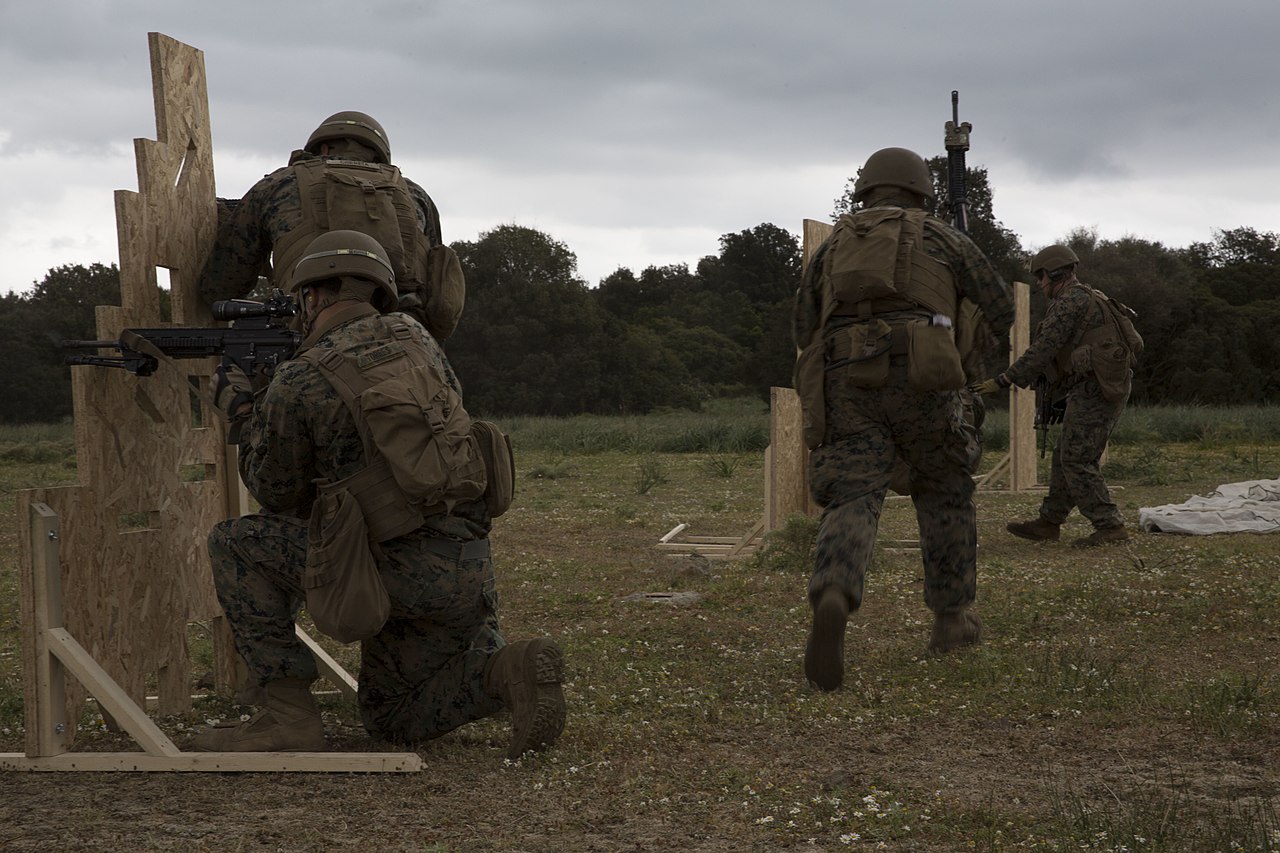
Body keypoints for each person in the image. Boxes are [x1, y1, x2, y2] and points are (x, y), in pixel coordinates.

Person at [192, 230, 565, 758]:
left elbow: (274, 490)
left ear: (312, 296)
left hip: (386, 571)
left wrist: (247, 413)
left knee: (234, 542)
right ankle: (506, 668)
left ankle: (287, 716)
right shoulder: (419, 342)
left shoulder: (300, 379)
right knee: (393, 718)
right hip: (464, 566)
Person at [792, 147, 1014, 691]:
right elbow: (1001, 308)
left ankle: (836, 592)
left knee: (853, 494)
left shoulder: (833, 245)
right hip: (924, 374)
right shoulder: (942, 235)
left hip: (845, 378)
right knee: (942, 488)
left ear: (864, 191)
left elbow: (803, 325)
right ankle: (950, 619)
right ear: (920, 191)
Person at [198, 111, 462, 342]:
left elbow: (221, 287)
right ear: (379, 156)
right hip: (407, 344)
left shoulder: (278, 184)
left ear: (323, 149)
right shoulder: (415, 196)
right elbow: (434, 288)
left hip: (306, 342)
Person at [973, 244, 1140, 547]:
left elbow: (1043, 349)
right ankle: (1049, 522)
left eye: (1041, 277)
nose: (1040, 284)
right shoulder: (1088, 296)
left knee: (1077, 458)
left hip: (1095, 388)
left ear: (1056, 273)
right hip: (1098, 385)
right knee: (1067, 455)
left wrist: (1005, 379)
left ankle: (1110, 525)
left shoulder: (1070, 302)